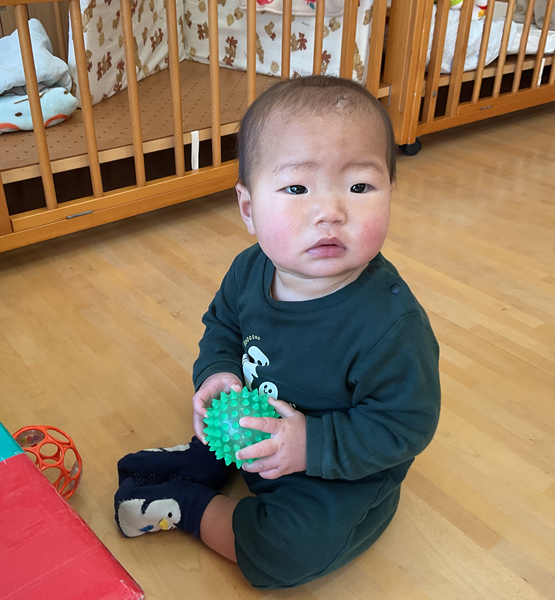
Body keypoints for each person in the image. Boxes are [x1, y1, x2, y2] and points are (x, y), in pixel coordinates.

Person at [114, 75, 441, 589]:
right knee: (213, 426)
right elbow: (222, 327)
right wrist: (218, 374)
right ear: (249, 209)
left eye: (359, 187)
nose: (330, 212)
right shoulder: (249, 270)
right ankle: (208, 460)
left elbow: (405, 424)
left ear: (390, 194)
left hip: (334, 467)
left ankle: (188, 504)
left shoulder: (390, 324)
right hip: (254, 431)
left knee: (288, 551)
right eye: (296, 188)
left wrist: (311, 444)